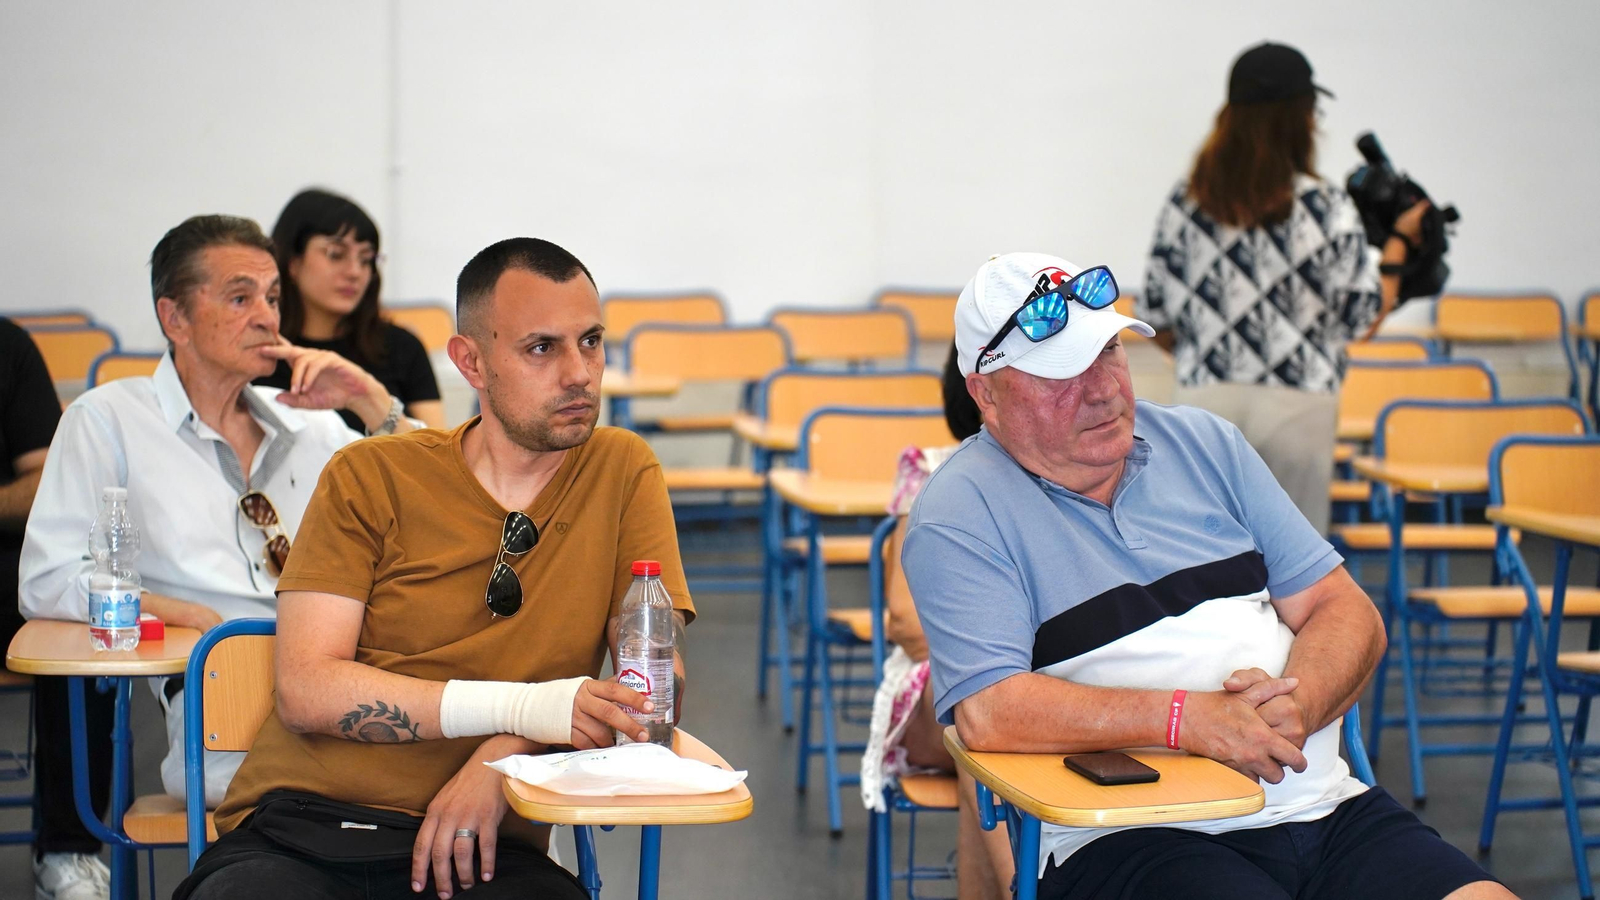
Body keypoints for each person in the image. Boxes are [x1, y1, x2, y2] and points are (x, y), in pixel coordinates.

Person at [903, 252, 1513, 900]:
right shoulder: (961, 509)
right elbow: (992, 713)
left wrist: (1296, 707)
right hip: (1138, 836)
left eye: (1109, 352)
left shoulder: (1206, 443)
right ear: (985, 393)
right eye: (1062, 374)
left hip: (1324, 809)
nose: (1104, 387)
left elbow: (1344, 608)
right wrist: (1186, 721)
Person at [175, 237, 693, 900]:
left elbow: (652, 686)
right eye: (543, 348)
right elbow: (306, 689)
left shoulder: (623, 471)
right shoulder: (372, 475)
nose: (580, 373)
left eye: (590, 341)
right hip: (308, 824)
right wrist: (527, 710)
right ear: (470, 362)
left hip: (488, 845)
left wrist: (507, 754)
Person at [20, 214, 419, 809]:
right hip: (226, 708)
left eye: (273, 297)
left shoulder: (314, 426)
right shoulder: (109, 420)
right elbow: (47, 580)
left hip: (354, 687)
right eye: (240, 297)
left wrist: (369, 398)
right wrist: (178, 613)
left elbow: (442, 500)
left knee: (493, 779)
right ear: (173, 317)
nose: (267, 316)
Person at [1139, 41, 1428, 534]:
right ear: (1301, 119)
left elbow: (1157, 321)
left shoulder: (1186, 202)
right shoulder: (1327, 206)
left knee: (1199, 566)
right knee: (1295, 579)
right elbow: (1362, 319)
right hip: (1300, 407)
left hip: (1205, 405)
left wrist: (1217, 356)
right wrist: (1399, 246)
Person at [862, 342, 1013, 899]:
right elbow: (905, 619)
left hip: (1030, 682)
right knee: (982, 720)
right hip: (940, 682)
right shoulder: (933, 470)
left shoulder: (1066, 479)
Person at [0, 318, 115, 899]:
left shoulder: (7, 345)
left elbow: (39, 477)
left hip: (4, 565)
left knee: (72, 619)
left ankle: (67, 848)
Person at [258, 188, 444, 430]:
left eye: (366, 259)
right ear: (293, 261)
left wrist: (370, 401)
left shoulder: (401, 348)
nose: (355, 272)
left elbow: (441, 457)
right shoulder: (260, 352)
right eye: (336, 254)